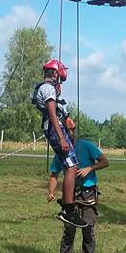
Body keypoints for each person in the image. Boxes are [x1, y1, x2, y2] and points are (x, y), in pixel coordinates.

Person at [48, 123, 109, 253]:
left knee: (88, 229)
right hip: (70, 196)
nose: (68, 133)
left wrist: (89, 168)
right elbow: (54, 174)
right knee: (69, 230)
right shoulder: (61, 150)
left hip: (88, 194)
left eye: (70, 130)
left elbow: (105, 161)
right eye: (64, 131)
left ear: (74, 131)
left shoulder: (87, 146)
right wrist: (51, 192)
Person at [32, 60, 85, 228]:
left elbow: (57, 111)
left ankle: (68, 204)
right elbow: (52, 114)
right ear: (55, 74)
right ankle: (68, 210)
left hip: (58, 128)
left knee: (71, 165)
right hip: (55, 129)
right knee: (71, 167)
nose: (60, 83)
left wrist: (68, 126)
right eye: (60, 79)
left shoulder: (49, 89)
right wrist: (61, 138)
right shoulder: (47, 89)